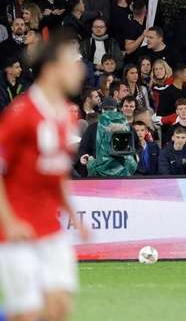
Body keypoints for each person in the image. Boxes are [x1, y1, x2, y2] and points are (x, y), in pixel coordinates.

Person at [0, 31, 90, 321]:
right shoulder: (21, 112)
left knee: (59, 307)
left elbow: (58, 173)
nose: (80, 70)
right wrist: (9, 221)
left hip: (50, 229)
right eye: (72, 63)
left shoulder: (67, 114)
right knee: (27, 314)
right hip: (16, 232)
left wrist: (73, 214)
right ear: (52, 70)